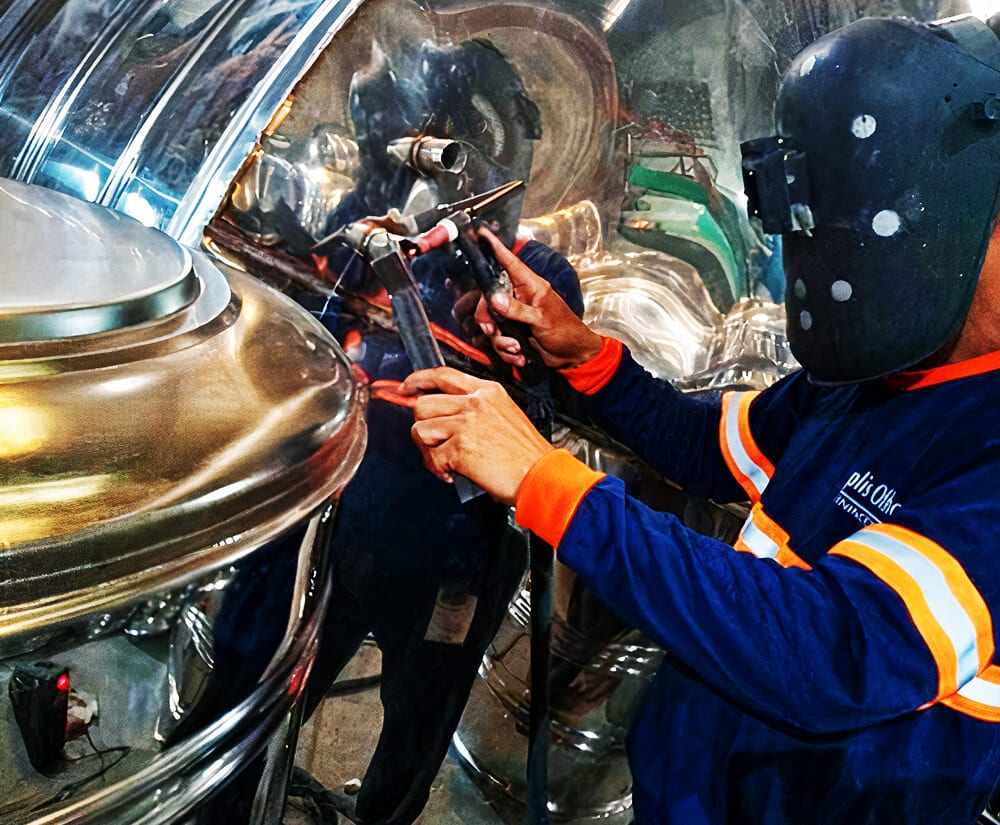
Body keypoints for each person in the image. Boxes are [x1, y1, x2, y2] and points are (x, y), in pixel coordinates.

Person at [399, 14, 1000, 825]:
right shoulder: (880, 376)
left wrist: (548, 481)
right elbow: (704, 448)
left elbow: (829, 649)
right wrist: (583, 354)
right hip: (700, 785)